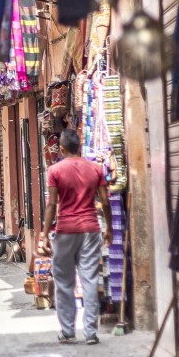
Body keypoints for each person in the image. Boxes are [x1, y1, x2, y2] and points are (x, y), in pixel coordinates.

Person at [38, 129, 112, 346]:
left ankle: (68, 331)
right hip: (91, 228)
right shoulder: (95, 168)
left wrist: (44, 235)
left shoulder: (55, 170)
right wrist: (109, 229)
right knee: (90, 280)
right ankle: (90, 332)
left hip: (66, 230)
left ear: (61, 149)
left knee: (64, 282)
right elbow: (105, 202)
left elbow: (52, 204)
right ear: (79, 146)